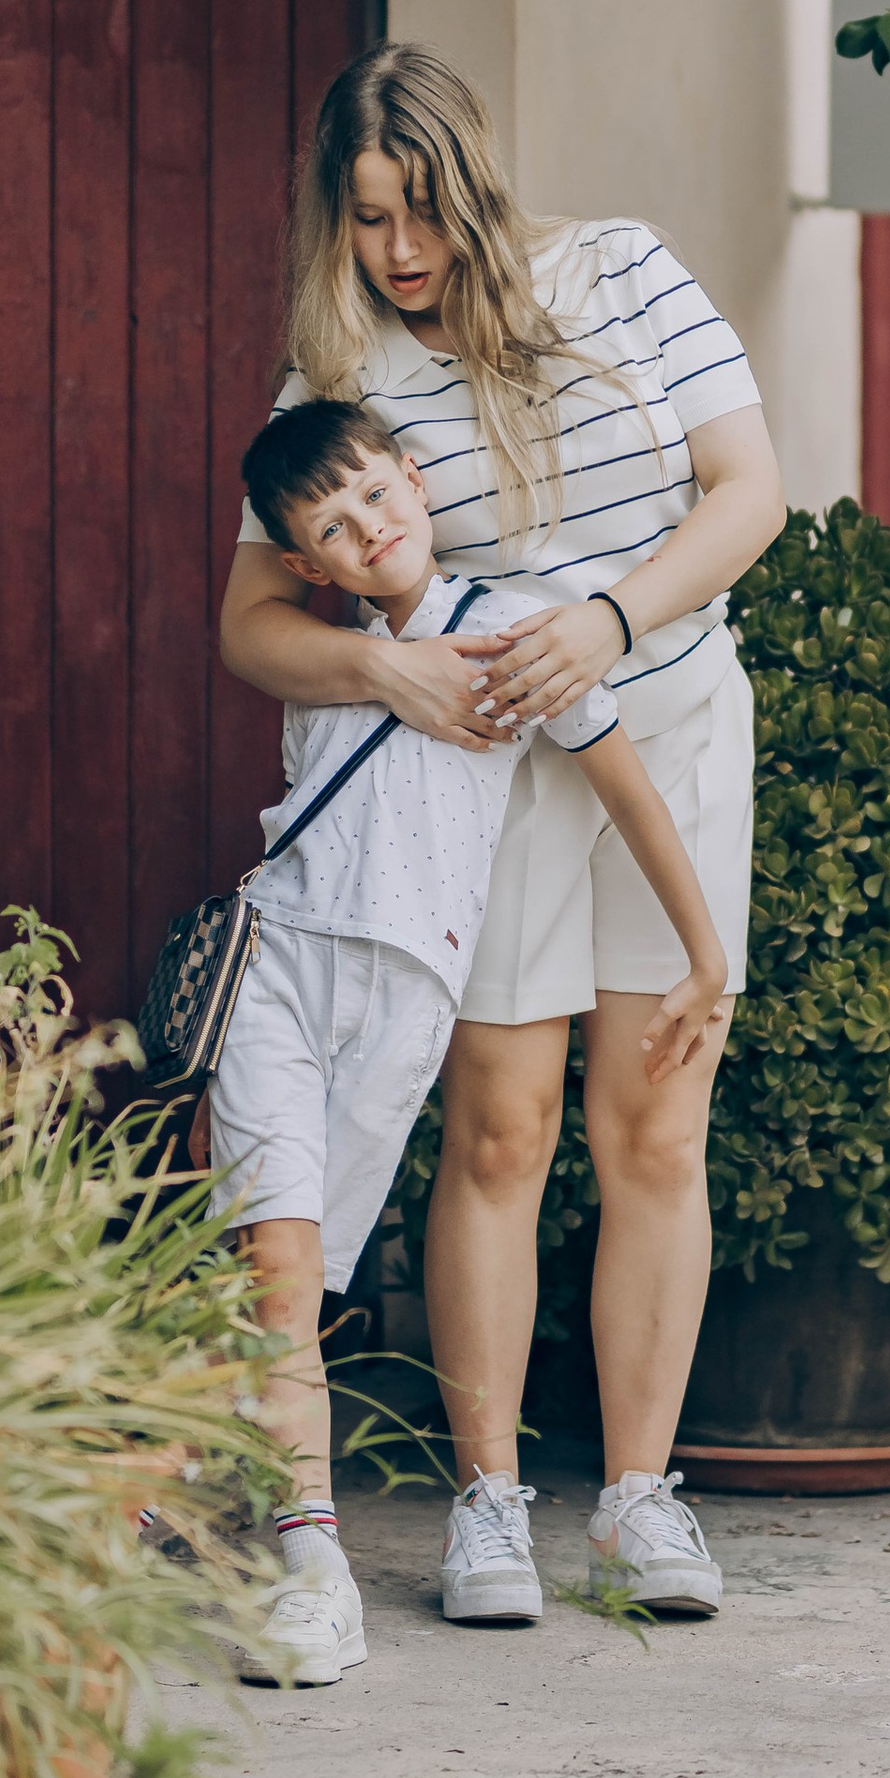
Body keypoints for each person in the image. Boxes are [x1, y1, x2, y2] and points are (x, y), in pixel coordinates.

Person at [221, 43, 785, 1632]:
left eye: (424, 212)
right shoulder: (337, 371)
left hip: (666, 728)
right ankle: (486, 1505)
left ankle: (639, 1502)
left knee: (658, 1127)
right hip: (484, 781)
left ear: (478, 186)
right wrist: (382, 663)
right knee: (500, 1132)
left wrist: (607, 624)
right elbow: (255, 624)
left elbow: (748, 495)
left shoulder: (625, 278)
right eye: (367, 219)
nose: (400, 254)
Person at [215, 398, 727, 1690]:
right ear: (309, 565)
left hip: (399, 1011)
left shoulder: (511, 640)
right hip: (278, 971)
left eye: (378, 497)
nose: (369, 531)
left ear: (417, 481)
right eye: (334, 528)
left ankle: (165, 1471)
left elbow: (626, 787)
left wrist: (703, 952)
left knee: (296, 1296)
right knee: (280, 1283)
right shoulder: (316, 651)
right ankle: (314, 1572)